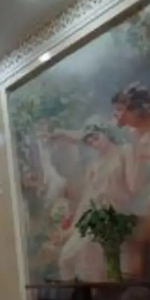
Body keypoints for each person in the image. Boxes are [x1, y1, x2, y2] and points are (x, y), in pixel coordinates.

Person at [47, 120, 141, 279]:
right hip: (97, 215)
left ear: (106, 133)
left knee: (98, 257)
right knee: (68, 256)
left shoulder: (125, 151)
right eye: (88, 140)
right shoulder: (94, 164)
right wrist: (74, 227)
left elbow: (133, 188)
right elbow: (87, 199)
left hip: (118, 214)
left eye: (95, 137)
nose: (92, 142)